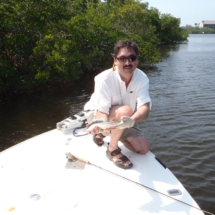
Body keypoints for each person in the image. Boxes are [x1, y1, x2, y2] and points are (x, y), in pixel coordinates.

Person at [84, 40, 151, 169]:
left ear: (137, 60)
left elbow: (144, 107)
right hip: (96, 114)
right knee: (126, 110)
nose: (127, 62)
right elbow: (102, 111)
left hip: (124, 119)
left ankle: (104, 134)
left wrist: (131, 120)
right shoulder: (103, 79)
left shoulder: (142, 78)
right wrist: (98, 124)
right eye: (122, 58)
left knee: (143, 148)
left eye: (132, 58)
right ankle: (112, 149)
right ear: (115, 60)